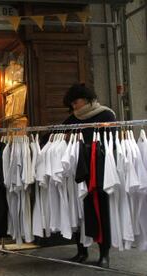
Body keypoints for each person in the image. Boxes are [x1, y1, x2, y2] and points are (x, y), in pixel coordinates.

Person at [62, 83, 116, 268]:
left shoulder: (106, 115)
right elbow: (57, 135)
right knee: (78, 212)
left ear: (86, 98)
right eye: (72, 104)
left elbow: (112, 144)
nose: (74, 107)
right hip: (78, 171)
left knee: (101, 211)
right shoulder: (72, 119)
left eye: (75, 102)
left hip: (99, 169)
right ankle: (81, 251)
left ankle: (104, 254)